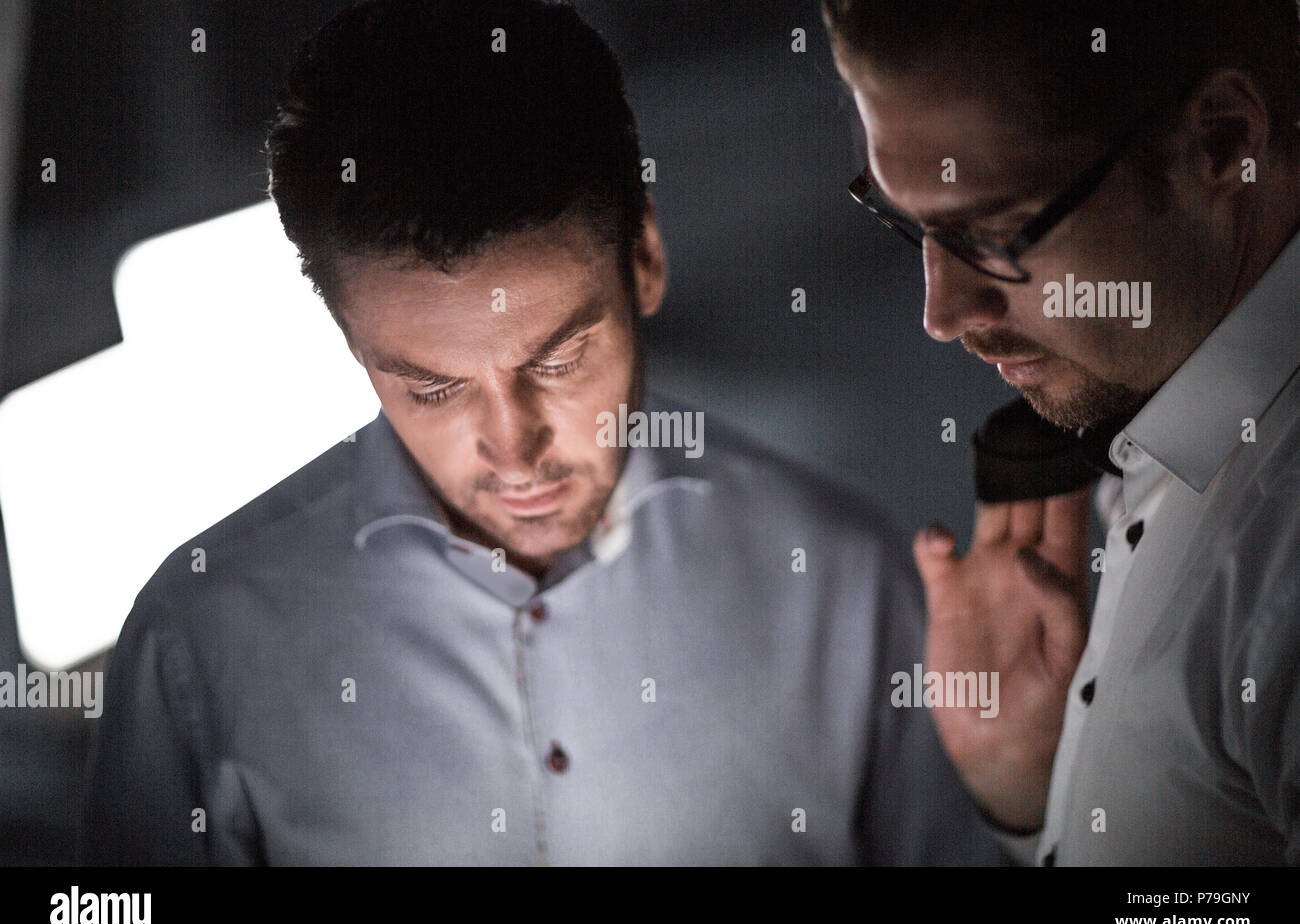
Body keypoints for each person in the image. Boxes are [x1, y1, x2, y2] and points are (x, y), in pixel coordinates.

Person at [81, 0, 999, 865]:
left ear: (644, 259)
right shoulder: (198, 649)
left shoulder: (848, 582)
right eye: (433, 389)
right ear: (351, 343)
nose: (512, 447)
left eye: (557, 361)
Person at [822, 0, 1300, 864]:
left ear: (1223, 142)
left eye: (997, 234)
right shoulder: (1165, 379)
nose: (942, 313)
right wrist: (1036, 795)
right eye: (911, 226)